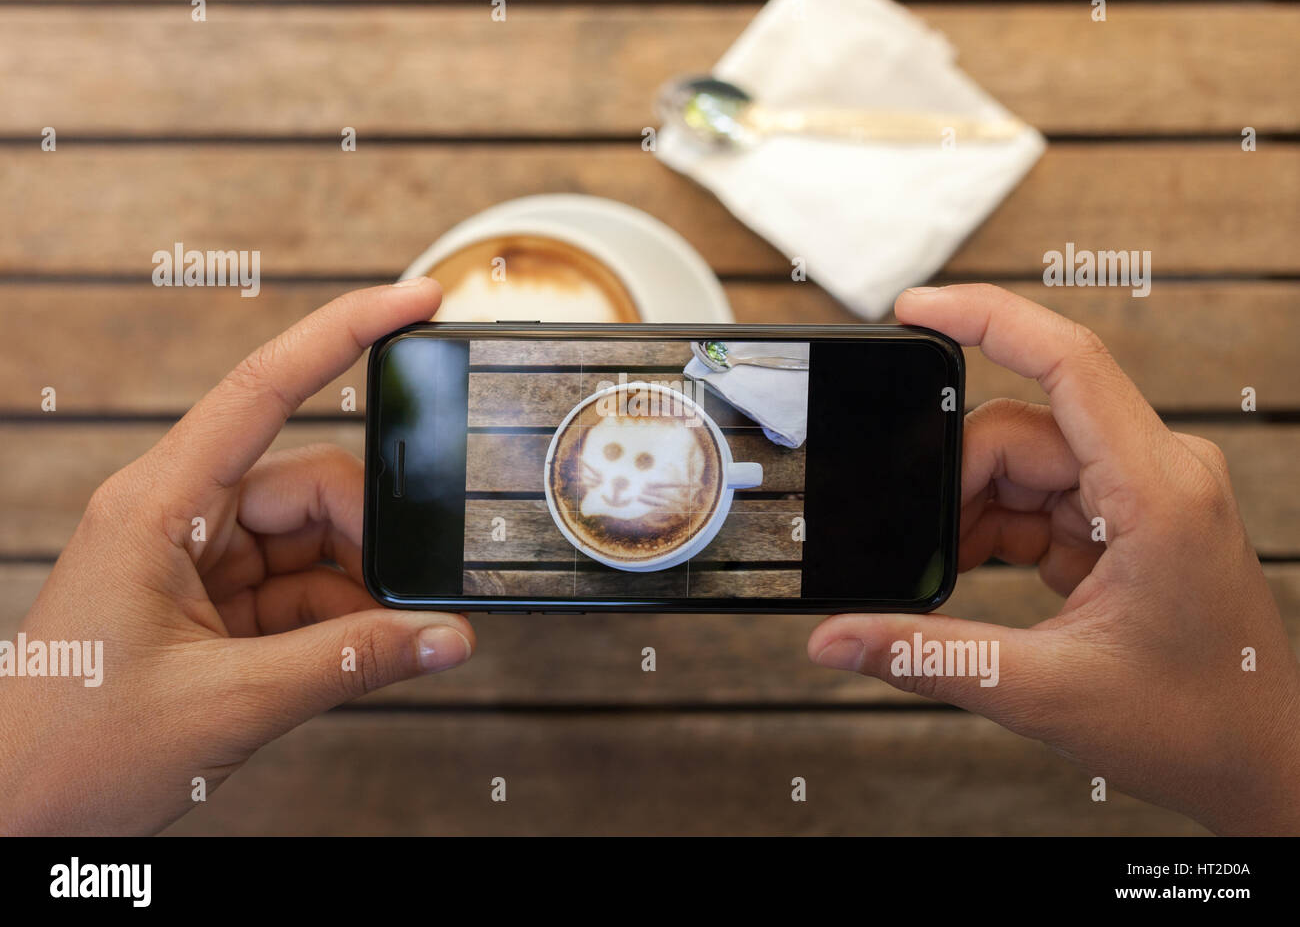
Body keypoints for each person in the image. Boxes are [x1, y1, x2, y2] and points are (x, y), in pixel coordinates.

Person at [1, 279, 1295, 835]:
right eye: (610, 467)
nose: (620, 469)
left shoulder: (725, 453)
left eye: (636, 466)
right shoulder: (584, 468)